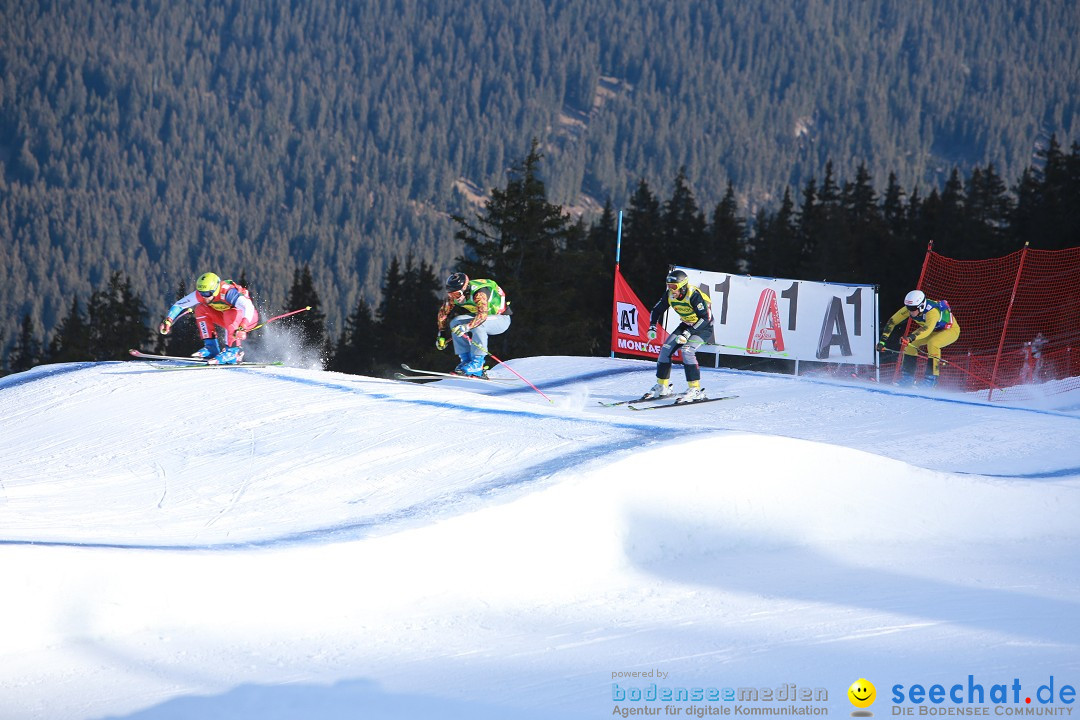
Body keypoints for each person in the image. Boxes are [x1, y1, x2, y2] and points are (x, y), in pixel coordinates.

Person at [643, 269, 713, 402]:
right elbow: (656, 310)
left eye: (674, 287)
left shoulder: (693, 295)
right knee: (665, 349)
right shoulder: (669, 294)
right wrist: (652, 326)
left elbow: (706, 318)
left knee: (687, 351)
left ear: (682, 286)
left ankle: (695, 389)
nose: (671, 290)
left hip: (702, 328)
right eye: (669, 286)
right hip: (686, 325)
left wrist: (689, 333)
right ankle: (662, 386)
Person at [158, 272, 258, 365]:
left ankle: (233, 352)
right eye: (201, 293)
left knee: (229, 312)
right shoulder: (204, 293)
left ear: (215, 289)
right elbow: (180, 304)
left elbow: (248, 306)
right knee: (201, 309)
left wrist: (243, 326)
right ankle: (211, 348)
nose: (203, 297)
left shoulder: (227, 292)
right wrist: (168, 320)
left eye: (206, 294)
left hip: (247, 319)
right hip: (229, 321)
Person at [876, 289, 960, 388]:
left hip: (949, 331)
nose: (910, 311)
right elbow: (892, 321)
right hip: (933, 330)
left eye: (913, 308)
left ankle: (931, 380)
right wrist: (882, 341)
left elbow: (927, 329)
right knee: (910, 344)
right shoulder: (911, 309)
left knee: (933, 343)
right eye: (908, 308)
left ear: (921, 306)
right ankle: (907, 378)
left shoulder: (932, 312)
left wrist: (910, 338)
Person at [435, 272, 511, 377]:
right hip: (484, 317)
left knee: (479, 325)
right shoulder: (454, 297)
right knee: (455, 323)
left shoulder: (479, 294)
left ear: (465, 289)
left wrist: (466, 327)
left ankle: (477, 365)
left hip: (501, 319)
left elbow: (482, 316)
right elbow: (443, 313)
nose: (454, 298)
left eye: (457, 294)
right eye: (450, 294)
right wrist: (442, 333)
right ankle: (466, 361)